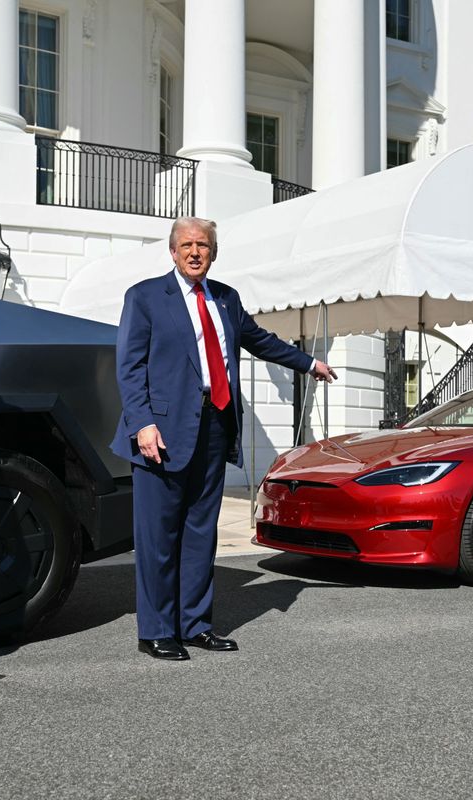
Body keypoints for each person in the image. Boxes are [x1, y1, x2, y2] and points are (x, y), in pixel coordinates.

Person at [111, 216, 337, 661]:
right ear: (173, 252)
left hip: (214, 429)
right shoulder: (145, 297)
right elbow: (130, 365)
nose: (195, 252)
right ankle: (156, 630)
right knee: (159, 536)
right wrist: (142, 424)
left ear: (213, 253)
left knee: (200, 534)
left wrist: (310, 364)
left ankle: (195, 626)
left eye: (204, 245)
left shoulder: (227, 299)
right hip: (161, 432)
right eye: (187, 245)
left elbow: (260, 340)